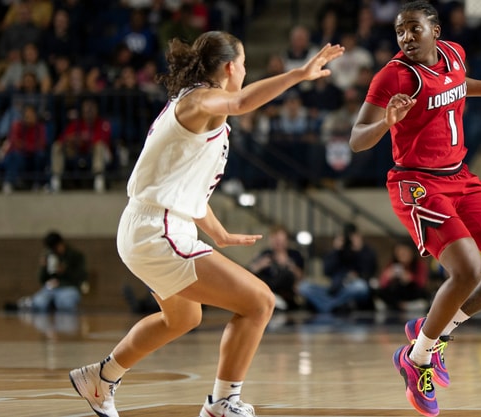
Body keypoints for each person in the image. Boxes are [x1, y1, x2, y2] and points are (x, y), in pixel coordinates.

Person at [68, 31, 343, 417]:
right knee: (260, 302)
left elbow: (185, 188)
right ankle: (222, 402)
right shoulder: (201, 100)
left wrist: (219, 233)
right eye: (245, 64)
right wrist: (298, 74)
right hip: (157, 230)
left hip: (152, 225)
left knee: (182, 317)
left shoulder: (199, 107)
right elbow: (243, 101)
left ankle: (101, 377)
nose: (246, 71)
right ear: (231, 67)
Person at [349, 2, 481, 416]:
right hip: (416, 183)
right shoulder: (394, 76)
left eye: (414, 29)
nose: (406, 38)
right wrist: (387, 122)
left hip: (460, 177)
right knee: (467, 269)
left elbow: (459, 84)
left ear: (434, 29)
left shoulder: (454, 53)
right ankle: (415, 360)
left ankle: (434, 332)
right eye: (400, 32)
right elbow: (357, 140)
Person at [298, 223, 377, 314]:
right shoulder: (338, 252)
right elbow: (327, 271)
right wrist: (336, 250)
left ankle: (327, 306)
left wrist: (358, 249)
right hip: (335, 289)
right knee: (304, 287)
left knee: (360, 286)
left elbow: (369, 271)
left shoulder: (366, 252)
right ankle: (335, 306)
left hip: (351, 289)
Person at [247, 225, 306, 311]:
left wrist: (288, 264)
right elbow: (250, 271)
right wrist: (259, 265)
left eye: (281, 241)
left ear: (286, 241)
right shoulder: (266, 254)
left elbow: (300, 276)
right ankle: (271, 298)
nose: (278, 243)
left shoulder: (294, 254)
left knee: (287, 275)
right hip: (268, 286)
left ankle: (275, 299)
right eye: (276, 240)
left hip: (285, 289)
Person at [30, 231, 87, 313]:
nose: (55, 250)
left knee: (65, 303)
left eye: (56, 247)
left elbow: (81, 277)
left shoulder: (75, 256)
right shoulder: (50, 256)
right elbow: (41, 280)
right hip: (51, 288)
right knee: (39, 303)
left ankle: (55, 305)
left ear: (61, 244)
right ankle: (51, 305)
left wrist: (65, 271)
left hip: (69, 288)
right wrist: (43, 268)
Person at [375, 240, 430, 312]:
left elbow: (422, 283)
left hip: (412, 294)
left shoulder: (419, 265)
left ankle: (404, 305)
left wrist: (411, 278)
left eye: (405, 252)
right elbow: (382, 283)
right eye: (399, 252)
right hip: (396, 295)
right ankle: (397, 305)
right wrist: (388, 277)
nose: (402, 255)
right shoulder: (392, 264)